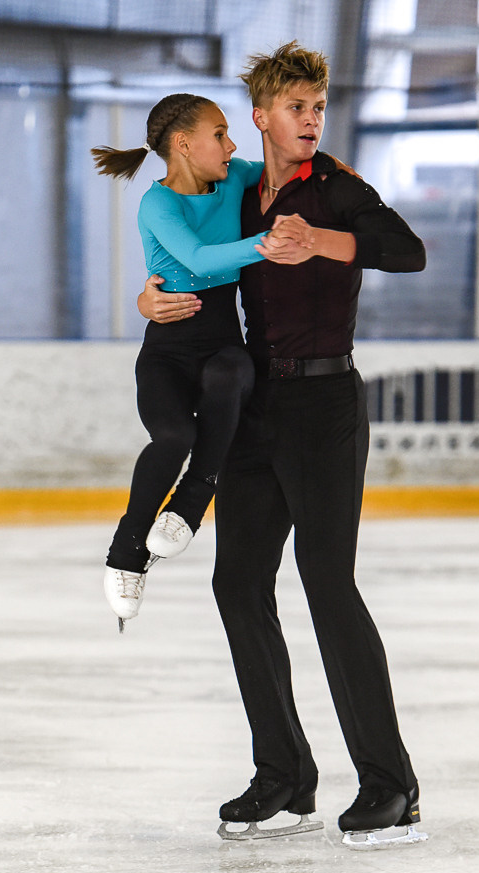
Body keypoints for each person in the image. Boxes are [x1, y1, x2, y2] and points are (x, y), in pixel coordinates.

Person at [137, 43, 428, 847]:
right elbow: (182, 249)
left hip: (325, 403)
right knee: (237, 584)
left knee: (327, 585)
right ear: (260, 118)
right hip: (251, 405)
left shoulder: (335, 187)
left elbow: (407, 252)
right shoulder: (233, 192)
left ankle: (390, 786)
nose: (309, 121)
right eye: (295, 109)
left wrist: (321, 242)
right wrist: (150, 296)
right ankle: (285, 778)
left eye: (317, 108)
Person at [91, 93, 313, 632]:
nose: (231, 143)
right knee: (172, 437)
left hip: (219, 341)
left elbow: (292, 168)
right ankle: (126, 553)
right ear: (184, 145)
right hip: (166, 351)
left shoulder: (236, 176)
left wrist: (329, 166)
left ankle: (194, 497)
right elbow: (196, 258)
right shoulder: (157, 204)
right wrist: (267, 242)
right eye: (220, 133)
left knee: (233, 373)